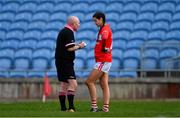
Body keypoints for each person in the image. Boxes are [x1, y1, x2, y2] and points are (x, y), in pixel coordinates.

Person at [55, 16, 86, 112]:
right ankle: (71, 107)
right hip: (65, 62)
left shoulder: (63, 31)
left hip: (60, 61)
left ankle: (63, 109)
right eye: (78, 23)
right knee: (73, 84)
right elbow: (69, 48)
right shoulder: (69, 32)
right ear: (73, 24)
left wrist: (76, 45)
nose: (79, 25)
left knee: (64, 84)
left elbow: (67, 46)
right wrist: (80, 46)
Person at [85, 12, 113, 112]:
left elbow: (105, 37)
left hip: (103, 60)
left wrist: (106, 47)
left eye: (95, 20)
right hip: (103, 60)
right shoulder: (103, 28)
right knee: (104, 83)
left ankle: (94, 107)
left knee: (89, 81)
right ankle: (105, 108)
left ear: (101, 19)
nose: (95, 23)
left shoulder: (105, 29)